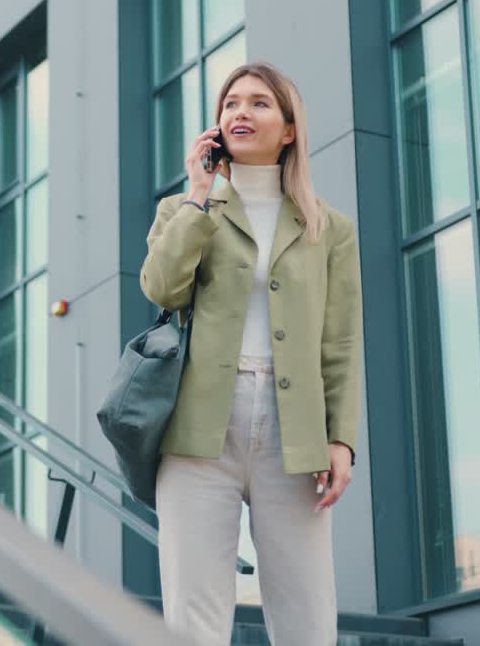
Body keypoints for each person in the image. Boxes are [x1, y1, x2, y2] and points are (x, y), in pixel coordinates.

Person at [140, 61, 365, 645]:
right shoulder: (183, 211)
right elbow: (161, 289)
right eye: (231, 103)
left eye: (259, 103)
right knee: (193, 619)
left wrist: (341, 439)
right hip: (197, 428)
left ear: (289, 130)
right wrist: (198, 195)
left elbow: (340, 341)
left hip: (296, 434)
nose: (241, 111)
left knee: (306, 617)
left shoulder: (328, 228)